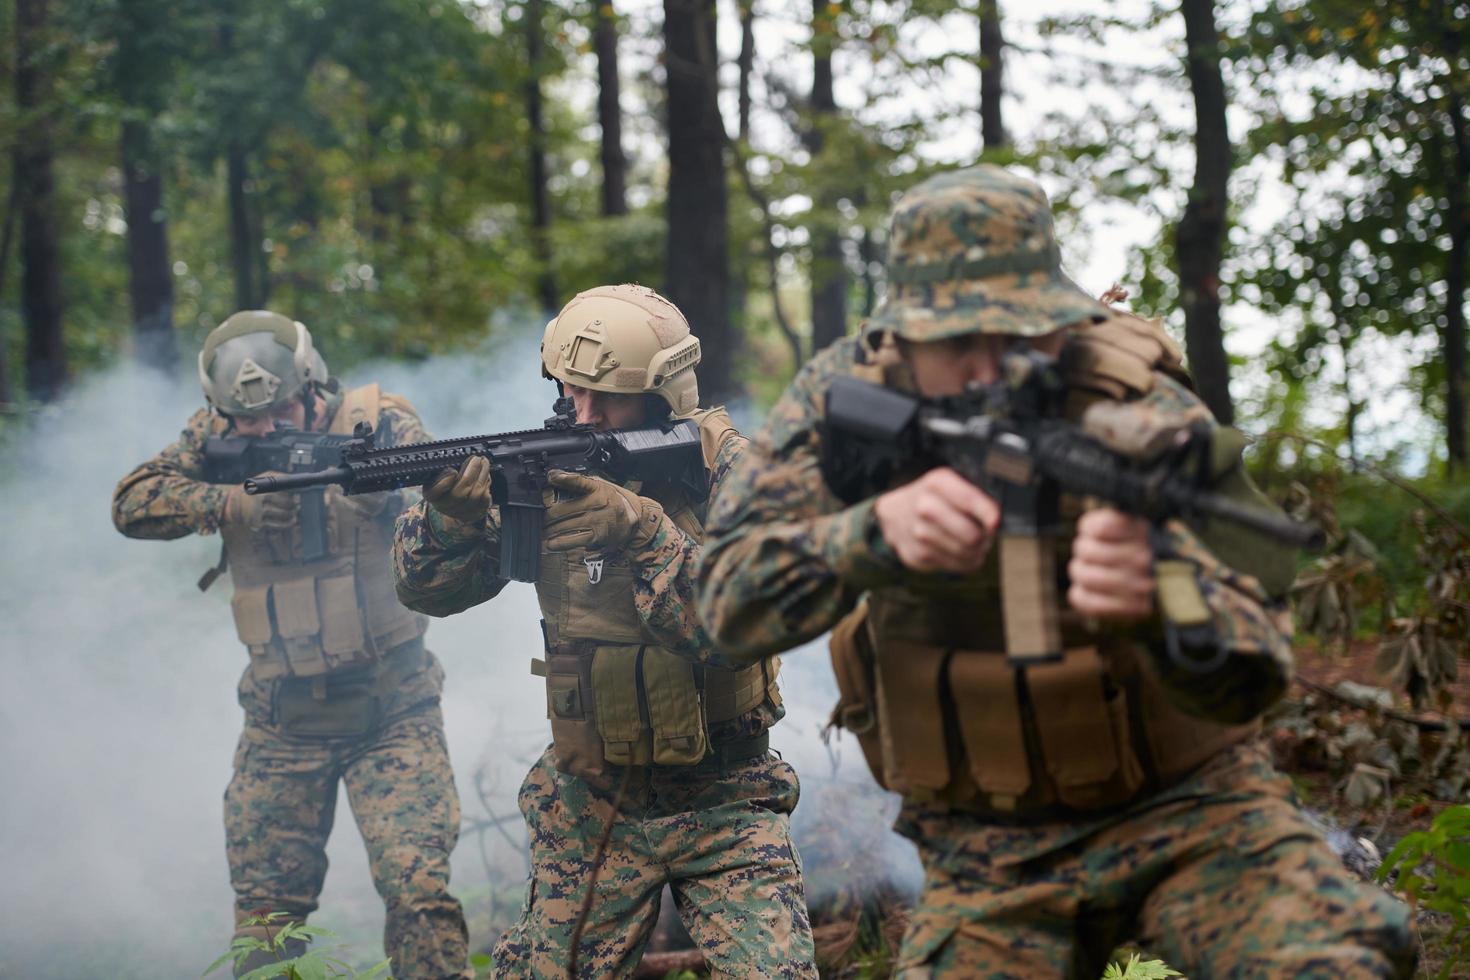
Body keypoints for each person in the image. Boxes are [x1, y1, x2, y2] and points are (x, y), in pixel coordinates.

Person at [695, 166, 1416, 978]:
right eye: (957, 342)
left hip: (1195, 811)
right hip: (988, 850)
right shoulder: (842, 398)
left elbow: (1256, 674)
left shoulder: (1137, 401)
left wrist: (1163, 599)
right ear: (901, 333)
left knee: (1335, 964)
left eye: (1020, 337)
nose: (989, 368)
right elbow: (725, 610)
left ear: (1062, 319)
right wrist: (869, 534)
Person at [392, 284, 816, 978]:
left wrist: (644, 529)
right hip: (591, 802)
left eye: (607, 399)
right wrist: (451, 520)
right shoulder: (549, 466)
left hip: (727, 800)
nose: (583, 417)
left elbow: (744, 621)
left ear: (664, 397)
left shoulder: (740, 473)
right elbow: (429, 594)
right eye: (571, 394)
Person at [112, 310, 471, 979]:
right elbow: (131, 502)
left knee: (421, 900)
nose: (258, 430)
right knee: (265, 921)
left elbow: (454, 512)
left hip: (392, 712)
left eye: (275, 413)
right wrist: (229, 505)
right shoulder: (213, 431)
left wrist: (386, 504)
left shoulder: (380, 422)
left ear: (309, 385)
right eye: (244, 420)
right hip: (280, 722)